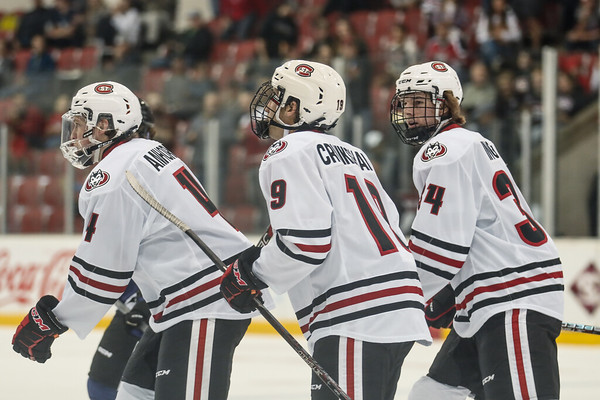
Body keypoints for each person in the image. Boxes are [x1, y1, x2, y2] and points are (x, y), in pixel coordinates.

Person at [11, 80, 273, 400]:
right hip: (190, 301)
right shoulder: (148, 152)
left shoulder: (113, 174)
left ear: (105, 126)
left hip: (205, 299)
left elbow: (103, 271)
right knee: (133, 394)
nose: (73, 135)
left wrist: (51, 320)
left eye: (80, 124)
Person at [219, 59, 432, 400]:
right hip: (396, 304)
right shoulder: (353, 154)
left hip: (357, 313)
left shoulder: (286, 152)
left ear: (295, 107)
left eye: (279, 97)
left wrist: (253, 275)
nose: (270, 104)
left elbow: (307, 242)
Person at [389, 61, 564, 400]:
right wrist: (449, 293)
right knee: (433, 394)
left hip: (511, 293)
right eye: (404, 103)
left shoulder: (444, 151)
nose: (409, 112)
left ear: (447, 103)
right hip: (490, 294)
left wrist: (401, 297)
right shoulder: (469, 143)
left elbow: (439, 248)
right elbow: (474, 230)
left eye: (418, 102)